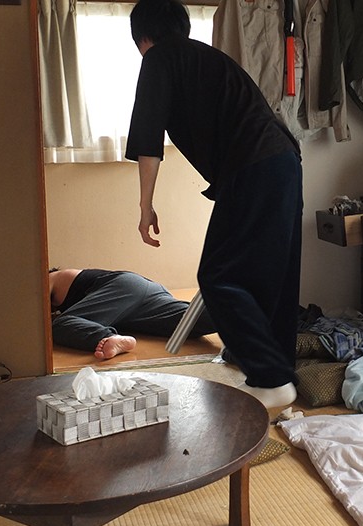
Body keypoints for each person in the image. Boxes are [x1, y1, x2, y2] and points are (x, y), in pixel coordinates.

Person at [124, 0, 303, 408]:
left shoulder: (159, 58)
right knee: (271, 274)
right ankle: (270, 370)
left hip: (253, 165)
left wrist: (145, 205)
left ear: (142, 36)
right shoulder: (205, 57)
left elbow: (148, 139)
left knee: (218, 275)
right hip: (283, 161)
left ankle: (272, 378)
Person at [50, 268, 216, 359]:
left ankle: (107, 337)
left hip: (123, 288)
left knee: (60, 325)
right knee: (189, 324)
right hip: (141, 300)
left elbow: (36, 312)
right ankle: (230, 309)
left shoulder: (49, 277)